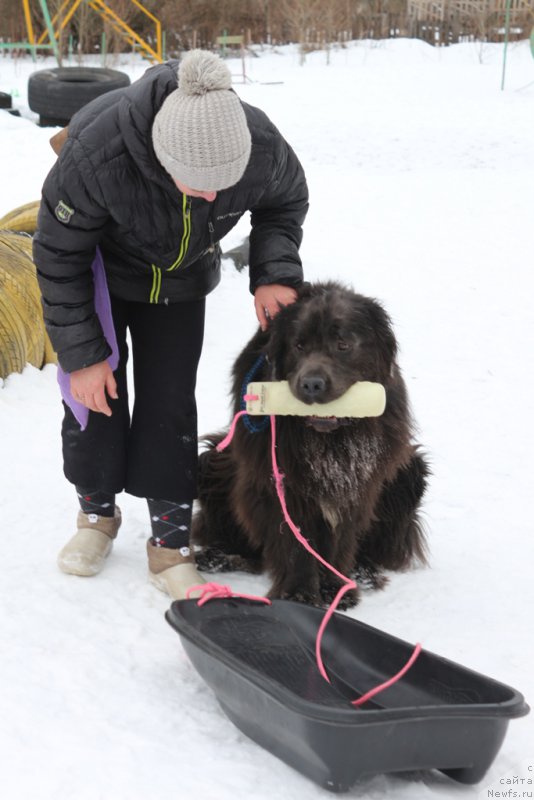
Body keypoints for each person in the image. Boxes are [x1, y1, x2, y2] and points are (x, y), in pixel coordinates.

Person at [33, 49, 308, 600]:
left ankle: (169, 545)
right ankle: (96, 517)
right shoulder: (98, 151)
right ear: (161, 155)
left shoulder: (260, 142)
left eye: (221, 186)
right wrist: (84, 356)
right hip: (101, 278)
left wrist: (273, 271)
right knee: (95, 398)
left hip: (181, 283)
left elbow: (283, 203)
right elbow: (58, 256)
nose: (211, 196)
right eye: (198, 184)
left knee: (170, 404)